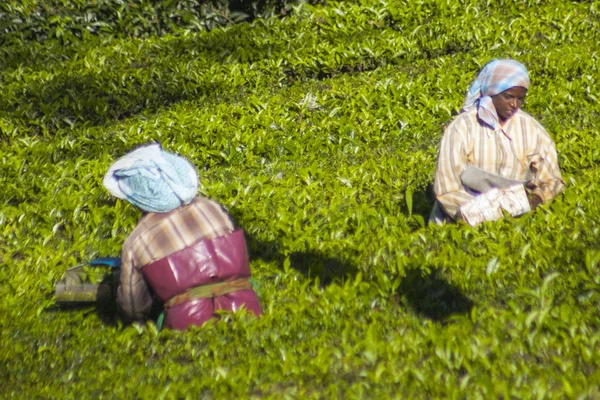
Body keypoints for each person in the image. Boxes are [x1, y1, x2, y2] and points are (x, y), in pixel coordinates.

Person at [103, 143, 262, 330]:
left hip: (189, 325)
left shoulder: (137, 240)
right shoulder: (212, 208)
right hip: (247, 310)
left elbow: (133, 309)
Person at [431, 59, 565, 226]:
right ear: (492, 92)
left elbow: (552, 179)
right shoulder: (462, 127)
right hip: (460, 221)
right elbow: (447, 189)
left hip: (517, 220)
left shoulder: (531, 129)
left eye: (520, 98)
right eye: (508, 97)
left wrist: (535, 199)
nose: (514, 104)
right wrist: (483, 213)